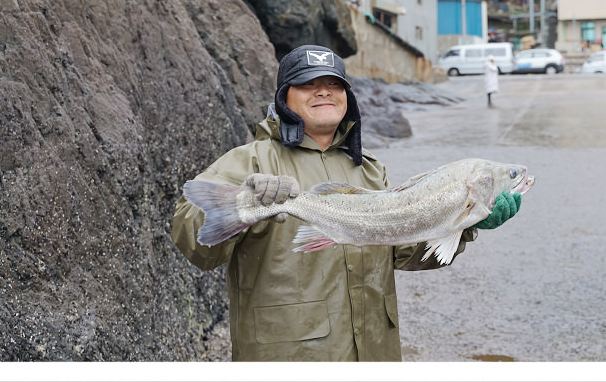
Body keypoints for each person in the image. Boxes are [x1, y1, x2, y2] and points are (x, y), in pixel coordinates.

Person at [172, 44, 522, 361]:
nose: (324, 90)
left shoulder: (369, 168)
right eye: (308, 83)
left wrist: (465, 226)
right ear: (284, 97)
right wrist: (243, 205)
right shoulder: (250, 161)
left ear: (346, 98)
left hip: (375, 353)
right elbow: (195, 243)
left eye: (335, 84)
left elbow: (402, 252)